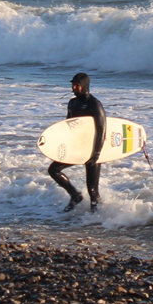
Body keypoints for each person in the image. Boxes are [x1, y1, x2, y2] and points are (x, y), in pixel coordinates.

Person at [48, 72, 106, 211]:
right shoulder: (72, 103)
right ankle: (75, 195)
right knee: (53, 170)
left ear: (84, 86)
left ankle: (96, 220)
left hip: (92, 149)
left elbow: (101, 130)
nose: (73, 88)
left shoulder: (94, 104)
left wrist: (96, 153)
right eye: (73, 85)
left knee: (92, 190)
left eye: (76, 85)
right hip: (77, 148)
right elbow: (67, 126)